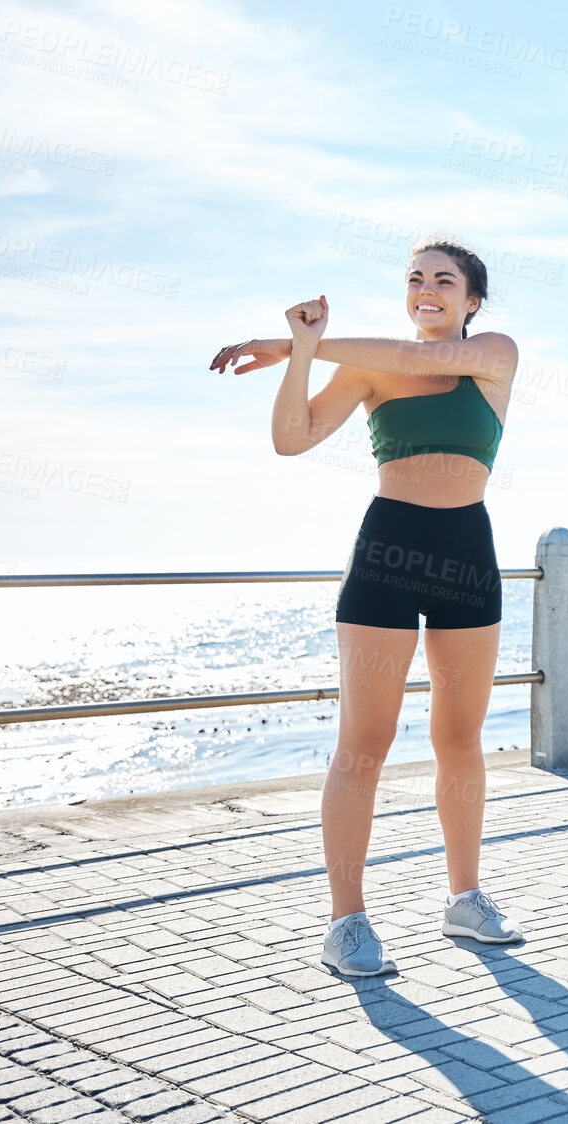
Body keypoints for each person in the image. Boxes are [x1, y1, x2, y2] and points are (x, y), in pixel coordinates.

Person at [211, 241, 525, 976]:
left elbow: (420, 362)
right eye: (414, 278)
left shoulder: (494, 354)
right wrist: (299, 359)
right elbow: (293, 440)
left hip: (465, 555)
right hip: (387, 553)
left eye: (444, 280)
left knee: (460, 735)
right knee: (365, 740)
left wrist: (293, 341)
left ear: (471, 300)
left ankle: (464, 898)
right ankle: (346, 921)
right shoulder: (362, 365)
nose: (427, 289)